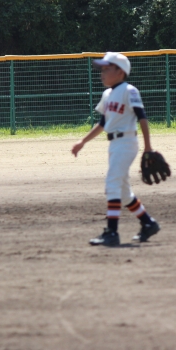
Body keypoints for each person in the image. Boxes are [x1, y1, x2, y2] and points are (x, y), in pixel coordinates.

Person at [71, 52, 160, 246]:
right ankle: (148, 223)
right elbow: (103, 123)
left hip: (127, 142)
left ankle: (112, 232)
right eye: (101, 69)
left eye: (106, 69)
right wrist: (83, 142)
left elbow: (142, 118)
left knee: (112, 183)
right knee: (124, 192)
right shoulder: (107, 94)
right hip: (114, 144)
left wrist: (148, 147)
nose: (102, 73)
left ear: (120, 72)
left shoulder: (129, 91)